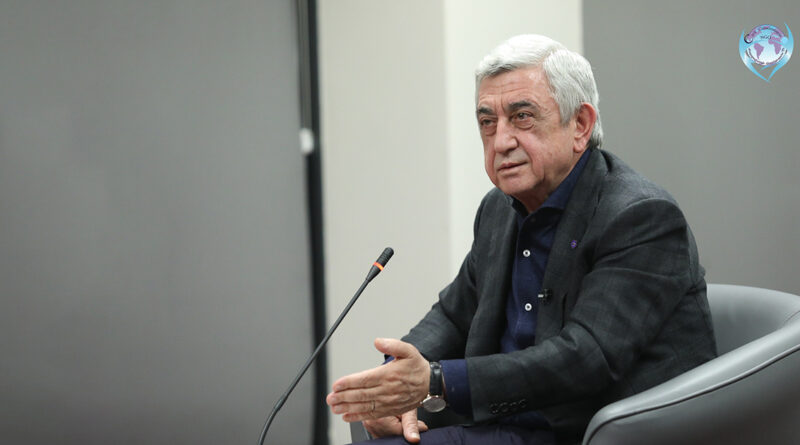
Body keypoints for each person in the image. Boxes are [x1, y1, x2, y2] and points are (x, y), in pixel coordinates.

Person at [326, 34, 716, 445]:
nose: (501, 142)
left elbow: (587, 357)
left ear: (580, 125)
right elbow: (454, 315)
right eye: (487, 123)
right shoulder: (498, 208)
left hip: (585, 427)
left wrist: (435, 381)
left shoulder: (640, 216)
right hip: (503, 416)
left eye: (522, 117)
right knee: (378, 428)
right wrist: (395, 379)